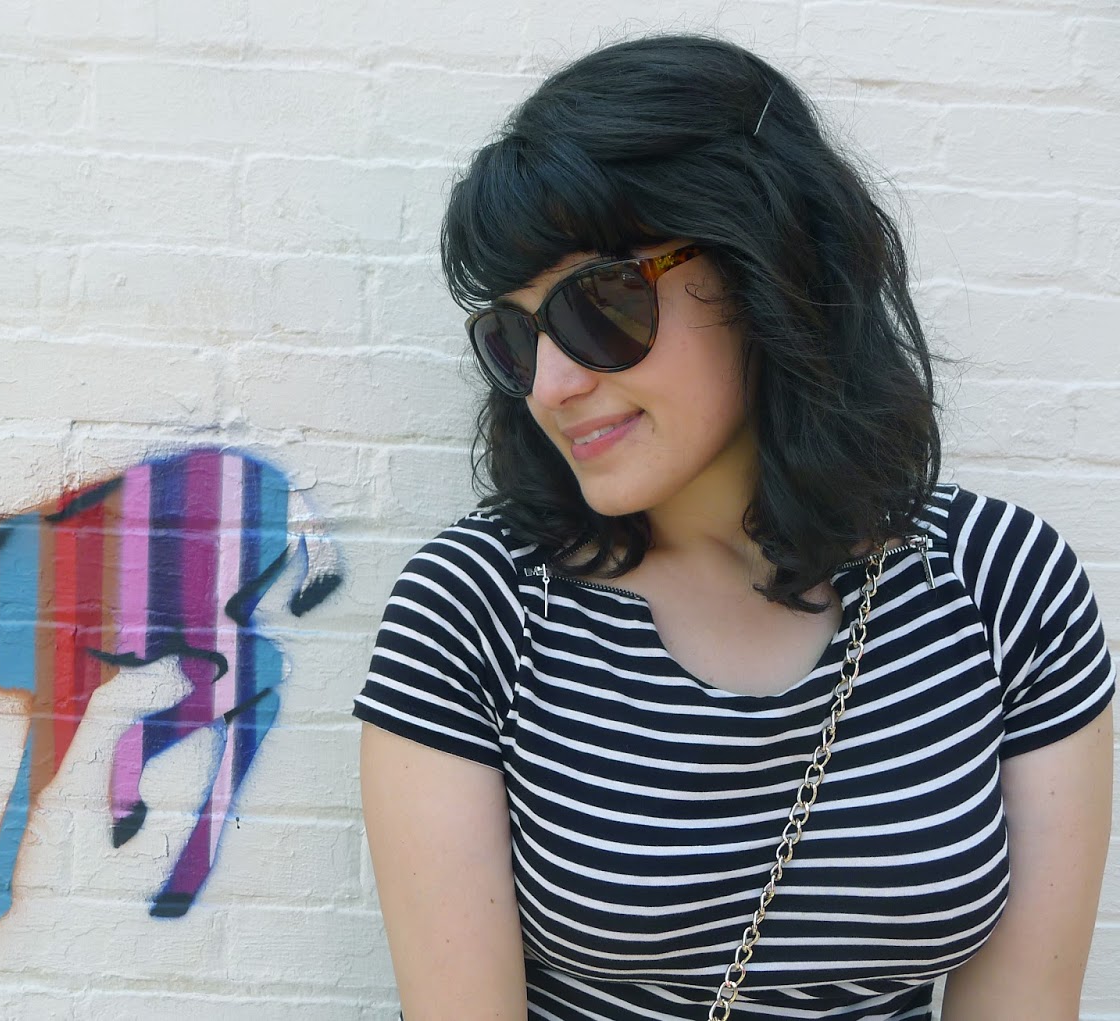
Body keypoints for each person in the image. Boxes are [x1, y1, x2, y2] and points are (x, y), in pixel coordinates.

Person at [353, 33, 1115, 1021]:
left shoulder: (1007, 590)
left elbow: (1026, 1004)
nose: (553, 383)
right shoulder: (477, 609)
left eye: (601, 304)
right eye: (515, 335)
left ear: (767, 267)